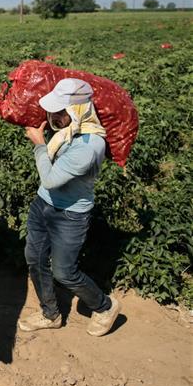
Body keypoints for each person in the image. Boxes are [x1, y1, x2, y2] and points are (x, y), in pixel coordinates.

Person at [19, 78, 122, 337]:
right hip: (43, 205)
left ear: (77, 111)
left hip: (70, 215)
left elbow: (51, 179)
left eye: (59, 111)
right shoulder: (68, 131)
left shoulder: (89, 146)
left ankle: (105, 306)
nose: (52, 116)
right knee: (35, 258)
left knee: (64, 272)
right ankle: (49, 314)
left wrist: (39, 144)